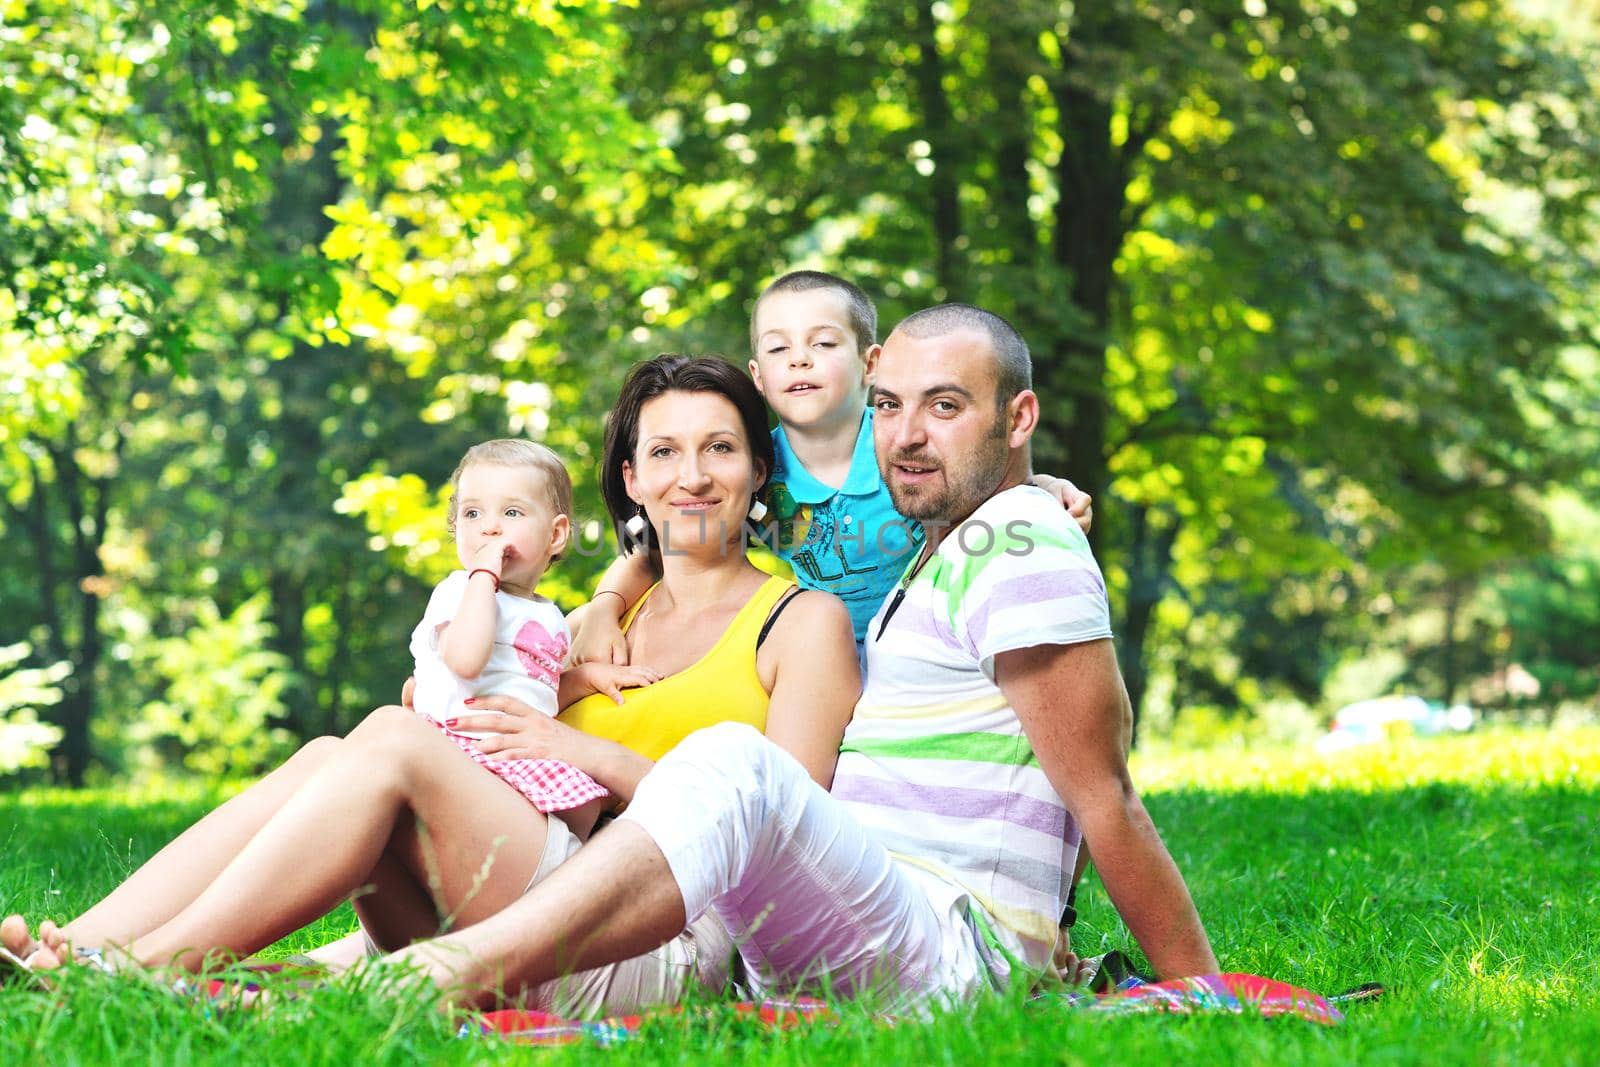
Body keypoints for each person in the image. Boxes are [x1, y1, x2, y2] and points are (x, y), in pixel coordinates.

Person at [384, 303, 1218, 1010]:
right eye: (887, 407)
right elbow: (683, 535)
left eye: (947, 406)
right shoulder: (940, 558)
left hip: (951, 947)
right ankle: (368, 967)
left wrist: (1199, 987)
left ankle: (450, 972)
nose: (907, 435)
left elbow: (1106, 795)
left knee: (736, 762)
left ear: (1018, 418)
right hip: (857, 911)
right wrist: (608, 591)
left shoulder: (1024, 539)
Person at [1, 356, 860, 1015]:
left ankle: (137, 969)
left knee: (388, 740)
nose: (693, 475)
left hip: (657, 935)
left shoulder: (801, 621)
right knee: (342, 746)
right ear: (631, 480)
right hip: (533, 888)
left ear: (757, 469)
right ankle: (73, 946)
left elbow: (785, 824)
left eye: (719, 448)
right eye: (664, 452)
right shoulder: (606, 621)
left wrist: (580, 748)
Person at [571, 270, 1093, 662]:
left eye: (822, 344)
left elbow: (980, 478)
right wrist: (603, 605)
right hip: (828, 658)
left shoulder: (903, 441)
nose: (800, 359)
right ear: (758, 375)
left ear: (872, 364)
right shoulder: (753, 474)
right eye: (779, 349)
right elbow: (659, 546)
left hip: (934, 644)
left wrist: (1041, 486)